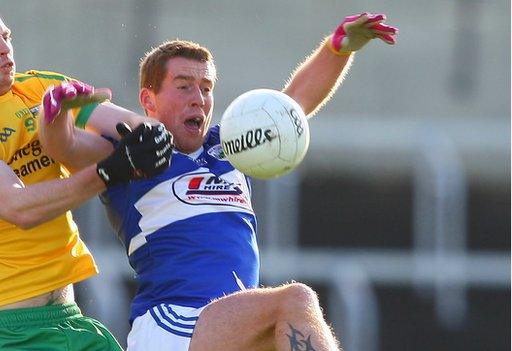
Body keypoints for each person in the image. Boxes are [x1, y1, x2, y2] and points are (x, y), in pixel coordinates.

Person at [39, 12, 398, 351]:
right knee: (295, 299)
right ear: (149, 99)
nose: (198, 98)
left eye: (206, 87)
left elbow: (292, 106)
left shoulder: (229, 147)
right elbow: (66, 146)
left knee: (287, 320)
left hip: (227, 325)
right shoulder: (132, 153)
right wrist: (57, 113)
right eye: (183, 86)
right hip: (172, 323)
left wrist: (338, 48)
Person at [0, 1, 173, 350]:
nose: (4, 47)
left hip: (70, 318)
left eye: (5, 36)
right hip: (3, 329)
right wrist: (109, 171)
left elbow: (122, 122)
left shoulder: (42, 88)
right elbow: (20, 208)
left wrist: (149, 134)